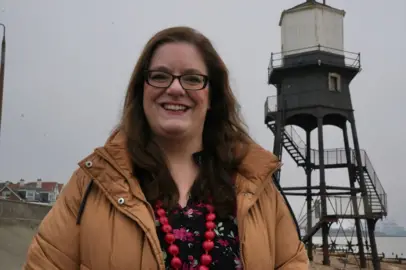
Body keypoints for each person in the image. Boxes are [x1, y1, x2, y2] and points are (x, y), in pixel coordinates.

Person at [24, 26, 308, 270]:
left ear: (213, 97)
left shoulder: (258, 187)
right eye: (160, 76)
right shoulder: (90, 185)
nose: (174, 88)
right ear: (141, 90)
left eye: (193, 78)